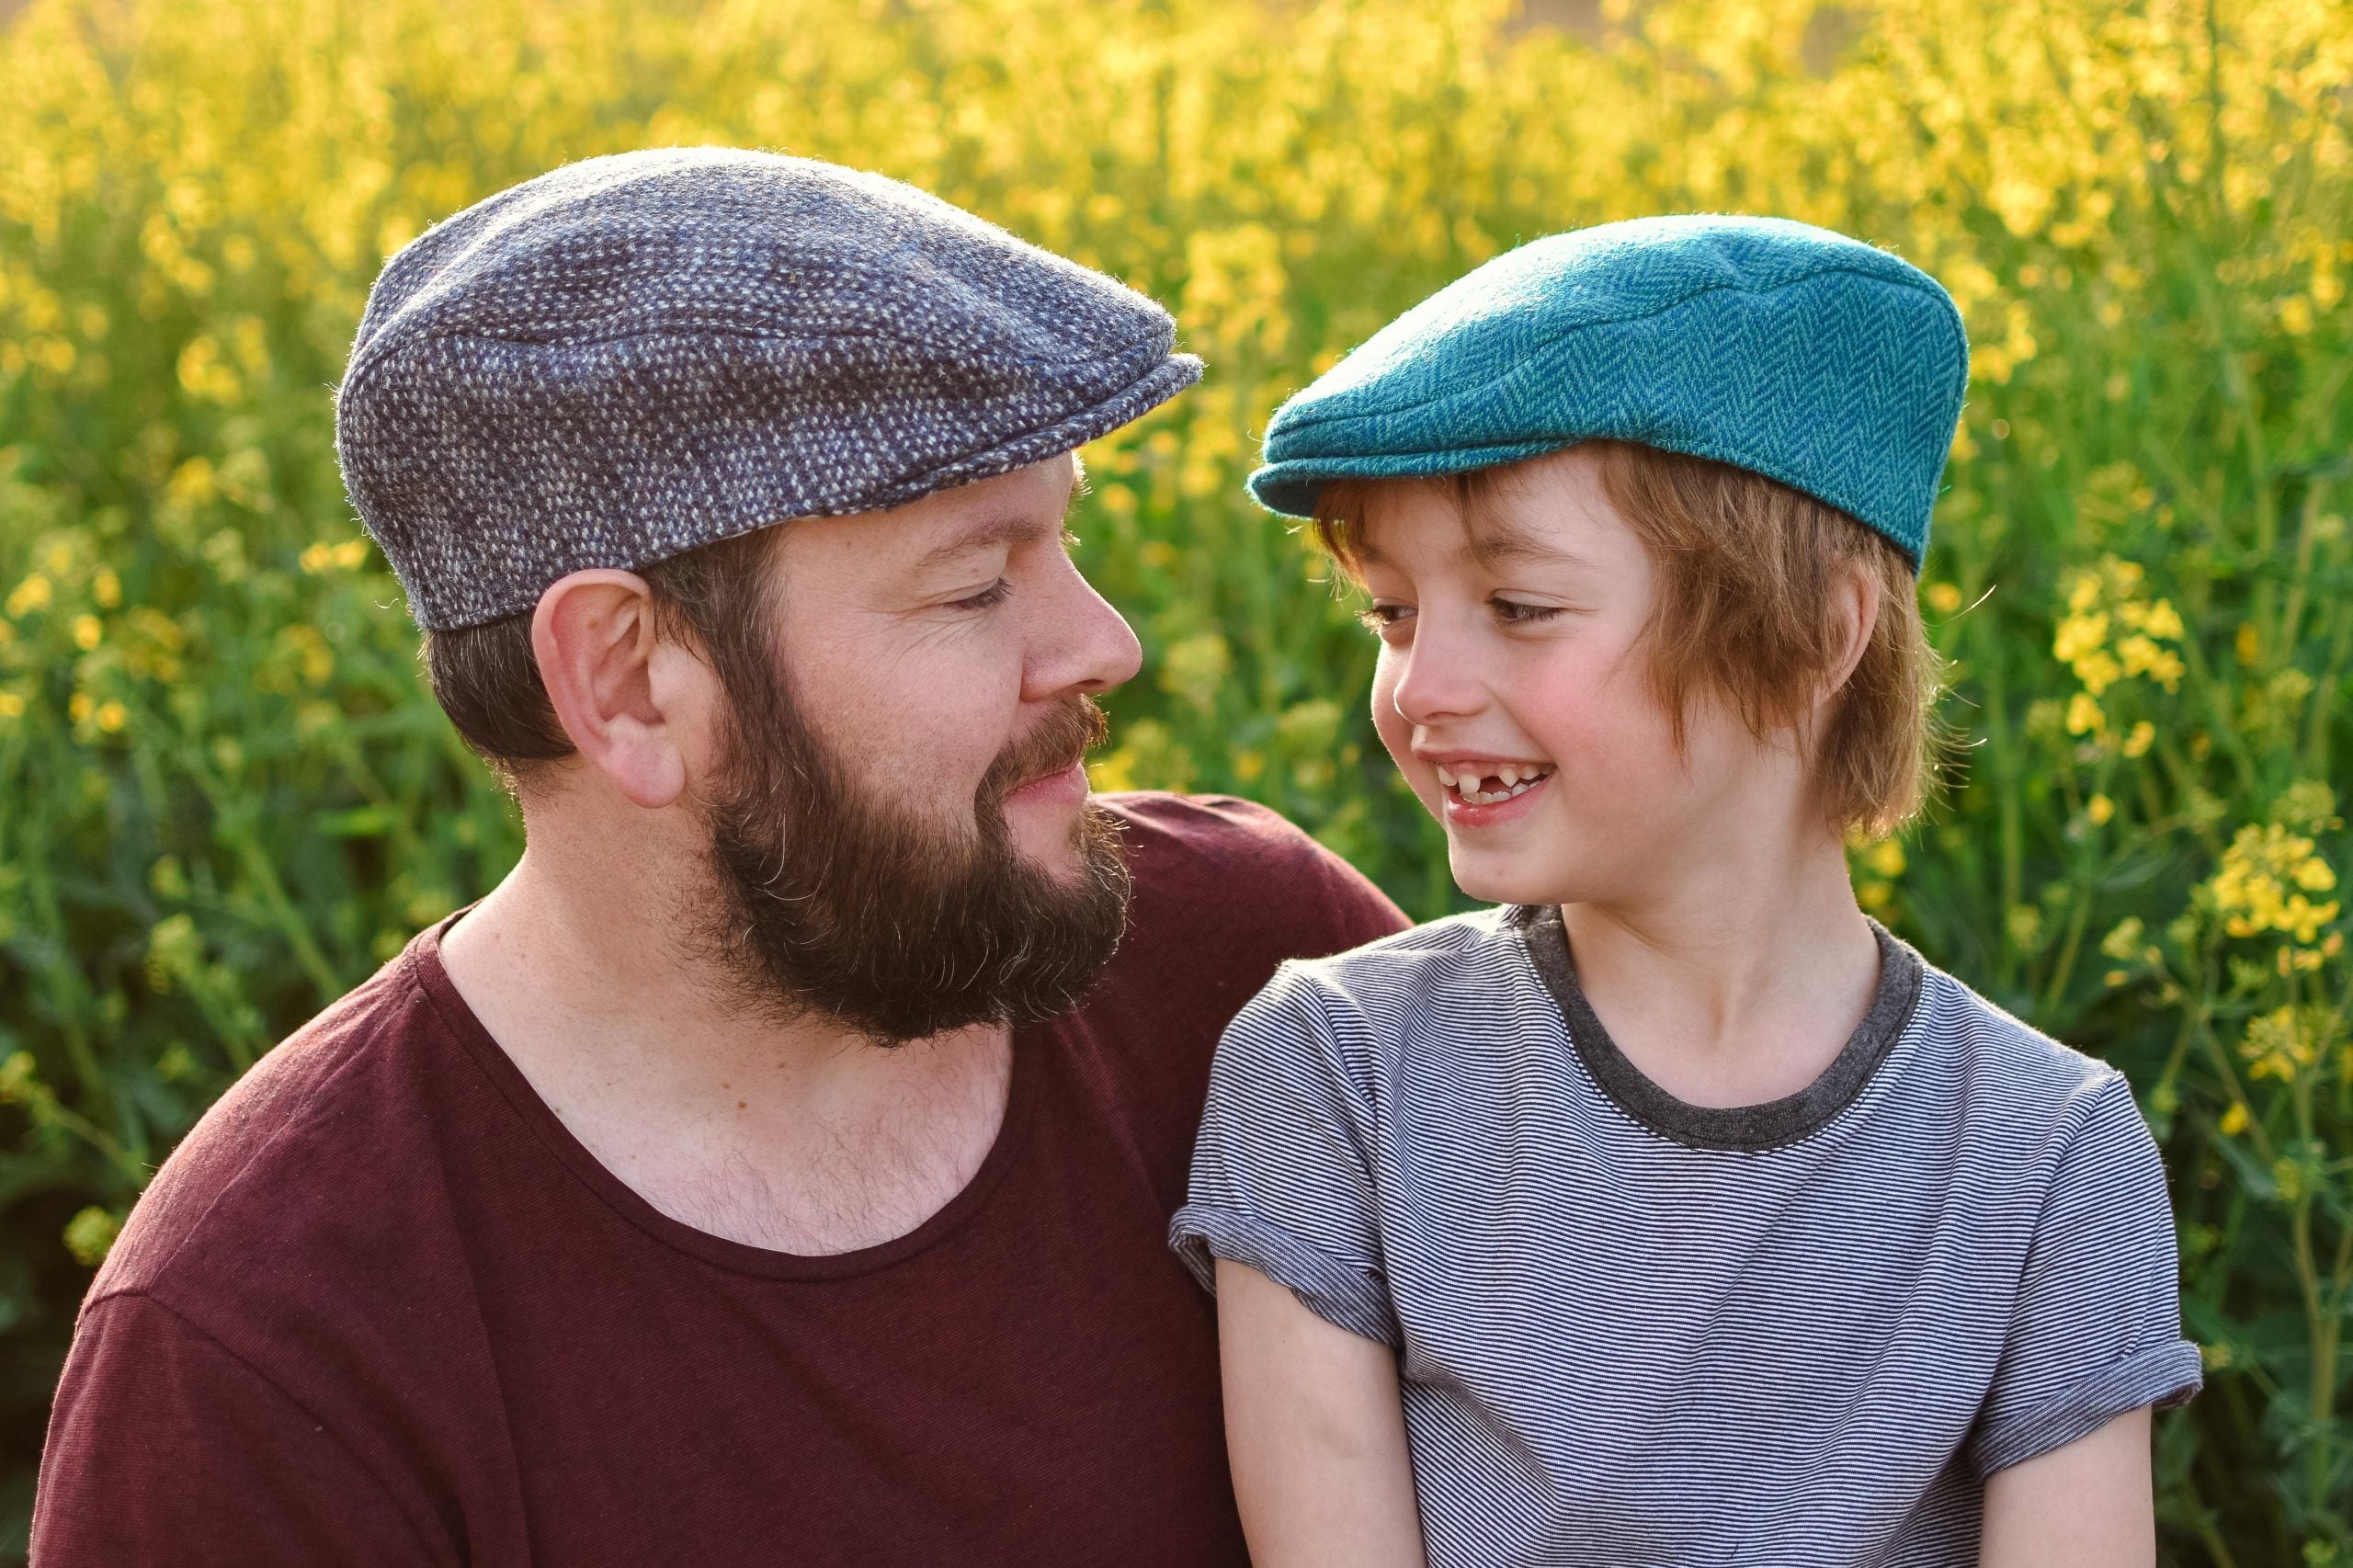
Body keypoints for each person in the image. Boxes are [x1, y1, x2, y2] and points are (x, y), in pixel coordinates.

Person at [33, 148, 1406, 1566]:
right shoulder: (268, 1354)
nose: (1104, 643)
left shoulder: (1259, 973)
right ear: (624, 681)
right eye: (976, 582)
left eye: (1067, 539)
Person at [1170, 215, 2201, 1566]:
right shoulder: (1338, 1073)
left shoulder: (2048, 1156)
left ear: (1816, 637)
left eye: (1522, 606)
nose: (1420, 689)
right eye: (1394, 611)